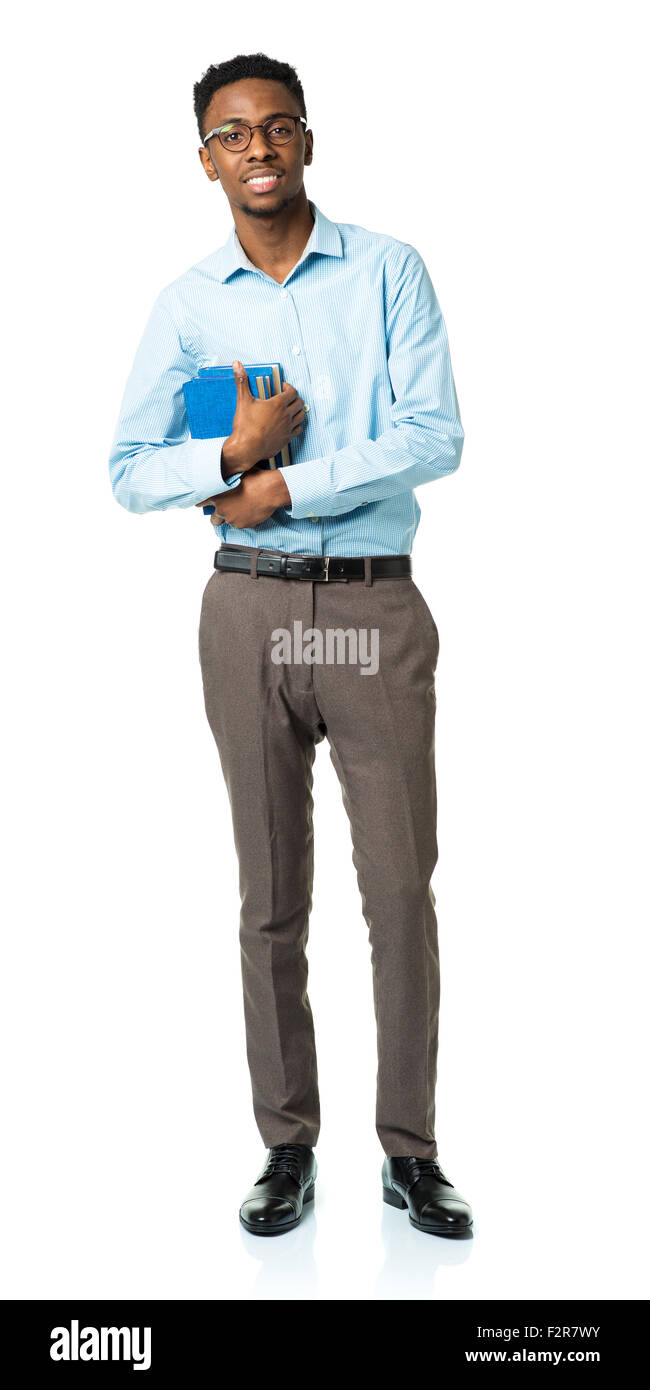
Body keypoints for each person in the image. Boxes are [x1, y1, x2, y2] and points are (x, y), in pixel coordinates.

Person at [109, 51, 473, 1239]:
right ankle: (285, 1145)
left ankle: (408, 1150)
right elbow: (126, 472)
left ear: (308, 141)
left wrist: (286, 482)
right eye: (231, 133)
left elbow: (432, 436)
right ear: (205, 159)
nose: (256, 148)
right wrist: (226, 458)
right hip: (248, 614)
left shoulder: (386, 271)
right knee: (269, 896)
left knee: (395, 889)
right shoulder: (187, 302)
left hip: (370, 608)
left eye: (276, 127)